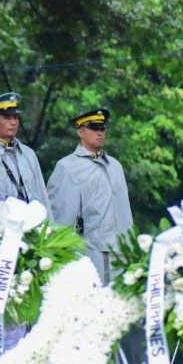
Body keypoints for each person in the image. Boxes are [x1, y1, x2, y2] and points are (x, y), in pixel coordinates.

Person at [47, 108, 133, 284]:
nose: (100, 133)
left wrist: (131, 249)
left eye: (102, 129)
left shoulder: (115, 166)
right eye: (94, 128)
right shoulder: (67, 166)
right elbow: (59, 218)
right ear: (80, 131)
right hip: (88, 252)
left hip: (119, 253)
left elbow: (125, 214)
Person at [0, 92, 53, 220]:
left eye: (16, 117)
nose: (13, 122)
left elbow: (42, 195)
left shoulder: (28, 154)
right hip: (0, 231)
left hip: (32, 230)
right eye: (7, 118)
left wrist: (49, 231)